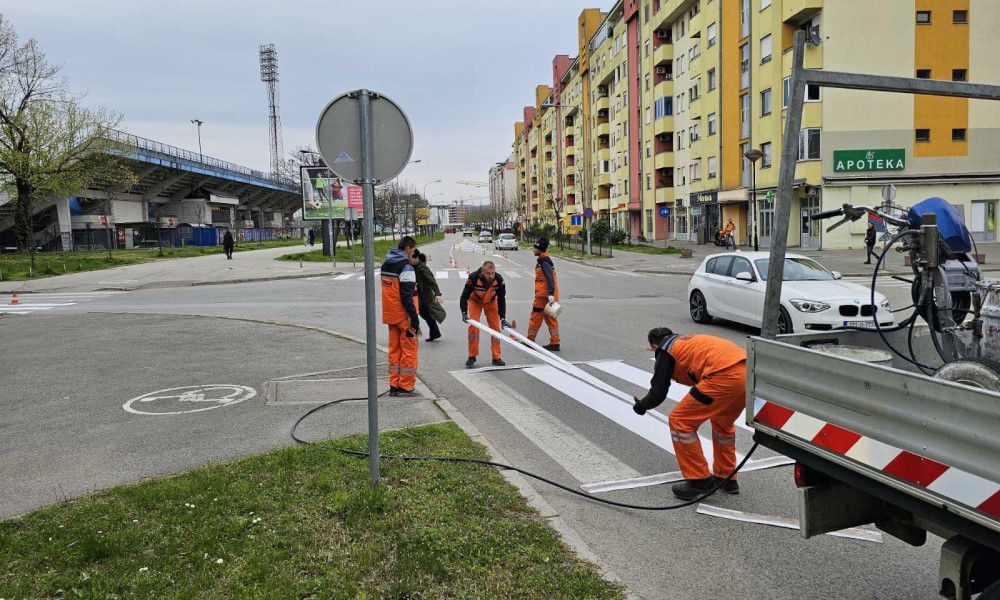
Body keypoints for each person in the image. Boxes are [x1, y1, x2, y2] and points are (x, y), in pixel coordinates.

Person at [632, 327, 747, 500]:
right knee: (722, 424)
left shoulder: (665, 350)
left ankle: (698, 481)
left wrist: (642, 406)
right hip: (748, 374)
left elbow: (658, 392)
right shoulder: (686, 342)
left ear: (654, 346)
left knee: (680, 421)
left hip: (722, 376)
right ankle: (727, 478)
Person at [380, 236, 421, 397]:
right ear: (408, 249)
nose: (414, 253)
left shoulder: (386, 264)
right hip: (405, 317)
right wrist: (414, 318)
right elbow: (407, 295)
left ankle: (394, 385)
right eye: (413, 250)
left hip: (390, 314)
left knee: (394, 351)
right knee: (409, 352)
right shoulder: (406, 268)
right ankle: (406, 387)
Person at [460, 260, 508, 368]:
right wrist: (464, 312)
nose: (491, 276)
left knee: (495, 329)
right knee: (474, 327)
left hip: (490, 302)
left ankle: (496, 357)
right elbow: (464, 296)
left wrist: (503, 318)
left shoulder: (499, 279)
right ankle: (472, 356)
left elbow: (501, 300)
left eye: (493, 273)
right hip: (475, 301)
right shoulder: (473, 277)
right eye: (488, 273)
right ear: (482, 271)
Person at [528, 237, 560, 351]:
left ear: (540, 249)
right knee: (551, 318)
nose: (533, 250)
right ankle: (555, 342)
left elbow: (550, 278)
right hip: (548, 295)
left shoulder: (544, 261)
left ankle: (530, 340)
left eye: (535, 248)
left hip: (543, 296)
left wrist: (550, 293)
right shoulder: (544, 260)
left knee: (535, 316)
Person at [414, 252, 444, 342]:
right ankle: (435, 332)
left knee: (417, 311)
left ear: (417, 258)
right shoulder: (413, 267)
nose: (409, 259)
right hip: (418, 294)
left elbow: (432, 281)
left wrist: (437, 294)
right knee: (425, 314)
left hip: (424, 295)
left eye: (411, 258)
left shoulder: (423, 269)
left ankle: (415, 331)